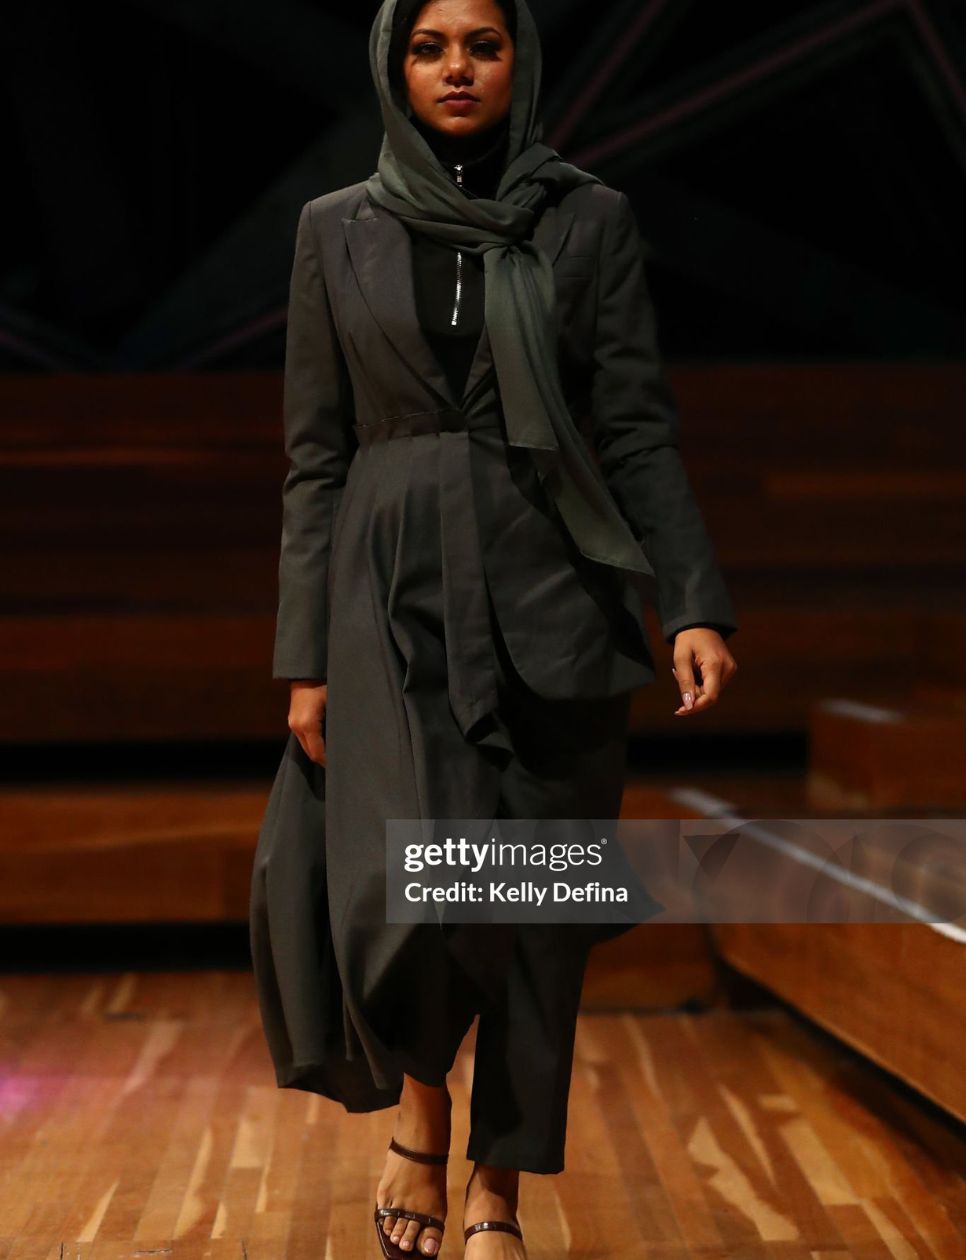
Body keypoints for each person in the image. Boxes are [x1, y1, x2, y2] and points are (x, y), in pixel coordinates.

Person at [249, 0, 738, 1256]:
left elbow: (632, 427)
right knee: (414, 899)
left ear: (519, 59)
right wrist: (301, 657)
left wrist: (689, 600)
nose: (456, 67)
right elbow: (312, 459)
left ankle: (496, 1193)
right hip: (391, 597)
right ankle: (422, 1117)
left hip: (556, 592)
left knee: (536, 911)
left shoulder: (587, 220)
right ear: (393, 65)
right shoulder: (333, 232)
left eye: (482, 43)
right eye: (430, 46)